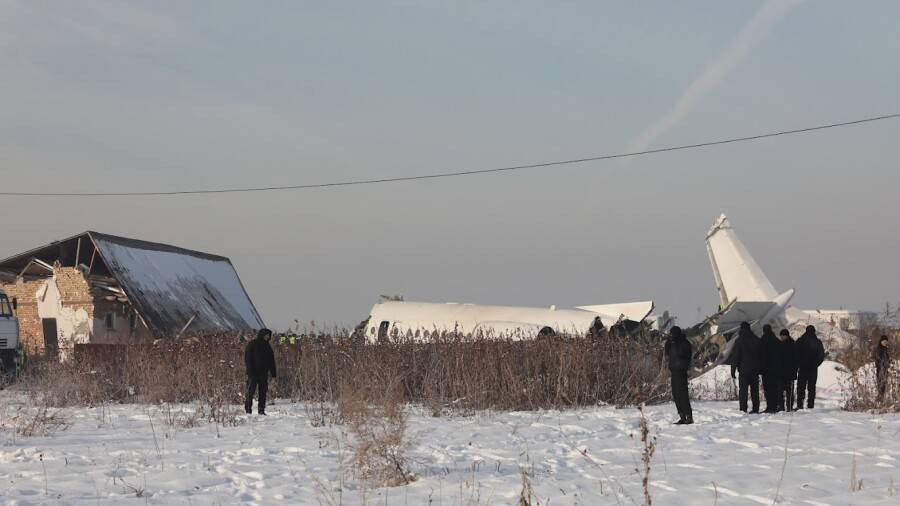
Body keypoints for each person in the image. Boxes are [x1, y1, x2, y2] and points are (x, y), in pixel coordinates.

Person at [730, 322, 762, 413]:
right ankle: (756, 408)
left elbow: (735, 356)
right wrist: (760, 369)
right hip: (754, 370)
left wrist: (732, 370)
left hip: (744, 370)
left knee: (743, 390)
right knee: (754, 390)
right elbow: (760, 356)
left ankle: (743, 408)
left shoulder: (739, 340)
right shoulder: (757, 340)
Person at [244, 328, 277, 415]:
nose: (267, 337)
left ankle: (261, 410)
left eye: (269, 336)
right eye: (266, 335)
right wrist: (250, 372)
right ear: (261, 335)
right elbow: (248, 359)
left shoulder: (268, 347)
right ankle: (248, 410)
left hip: (263, 374)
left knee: (263, 393)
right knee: (250, 392)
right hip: (253, 374)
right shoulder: (252, 344)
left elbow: (271, 361)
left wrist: (273, 374)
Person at [665, 326, 693, 425]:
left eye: (672, 334)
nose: (671, 336)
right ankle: (682, 416)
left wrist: (675, 342)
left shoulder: (685, 343)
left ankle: (689, 416)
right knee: (676, 394)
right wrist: (668, 341)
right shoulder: (672, 343)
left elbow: (684, 354)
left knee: (683, 395)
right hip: (674, 371)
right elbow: (667, 351)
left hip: (681, 372)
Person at [795, 325, 825, 409]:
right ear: (814, 331)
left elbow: (795, 353)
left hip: (802, 368)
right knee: (812, 388)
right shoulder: (818, 342)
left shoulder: (800, 341)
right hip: (813, 368)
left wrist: (799, 364)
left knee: (801, 387)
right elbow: (821, 355)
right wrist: (816, 364)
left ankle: (800, 405)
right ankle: (810, 405)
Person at [759, 324, 781, 413]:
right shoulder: (776, 341)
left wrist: (760, 368)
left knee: (768, 389)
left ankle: (770, 407)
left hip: (766, 369)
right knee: (775, 388)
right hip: (776, 369)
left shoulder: (762, 341)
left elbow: (760, 356)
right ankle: (775, 406)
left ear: (764, 331)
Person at [777, 329, 798, 412]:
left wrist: (794, 370)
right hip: (781, 371)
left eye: (783, 335)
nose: (781, 337)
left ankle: (789, 407)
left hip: (789, 372)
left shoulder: (792, 345)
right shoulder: (781, 344)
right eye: (781, 335)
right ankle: (782, 407)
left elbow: (796, 359)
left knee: (789, 391)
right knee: (780, 391)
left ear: (787, 336)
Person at [875, 335, 891, 402]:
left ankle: (881, 399)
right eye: (883, 341)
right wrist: (883, 364)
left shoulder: (886, 349)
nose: (885, 342)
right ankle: (879, 399)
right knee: (881, 385)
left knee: (884, 385)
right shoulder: (879, 349)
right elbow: (878, 359)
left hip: (885, 369)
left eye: (886, 341)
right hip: (880, 369)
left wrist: (889, 362)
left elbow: (887, 358)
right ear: (881, 341)